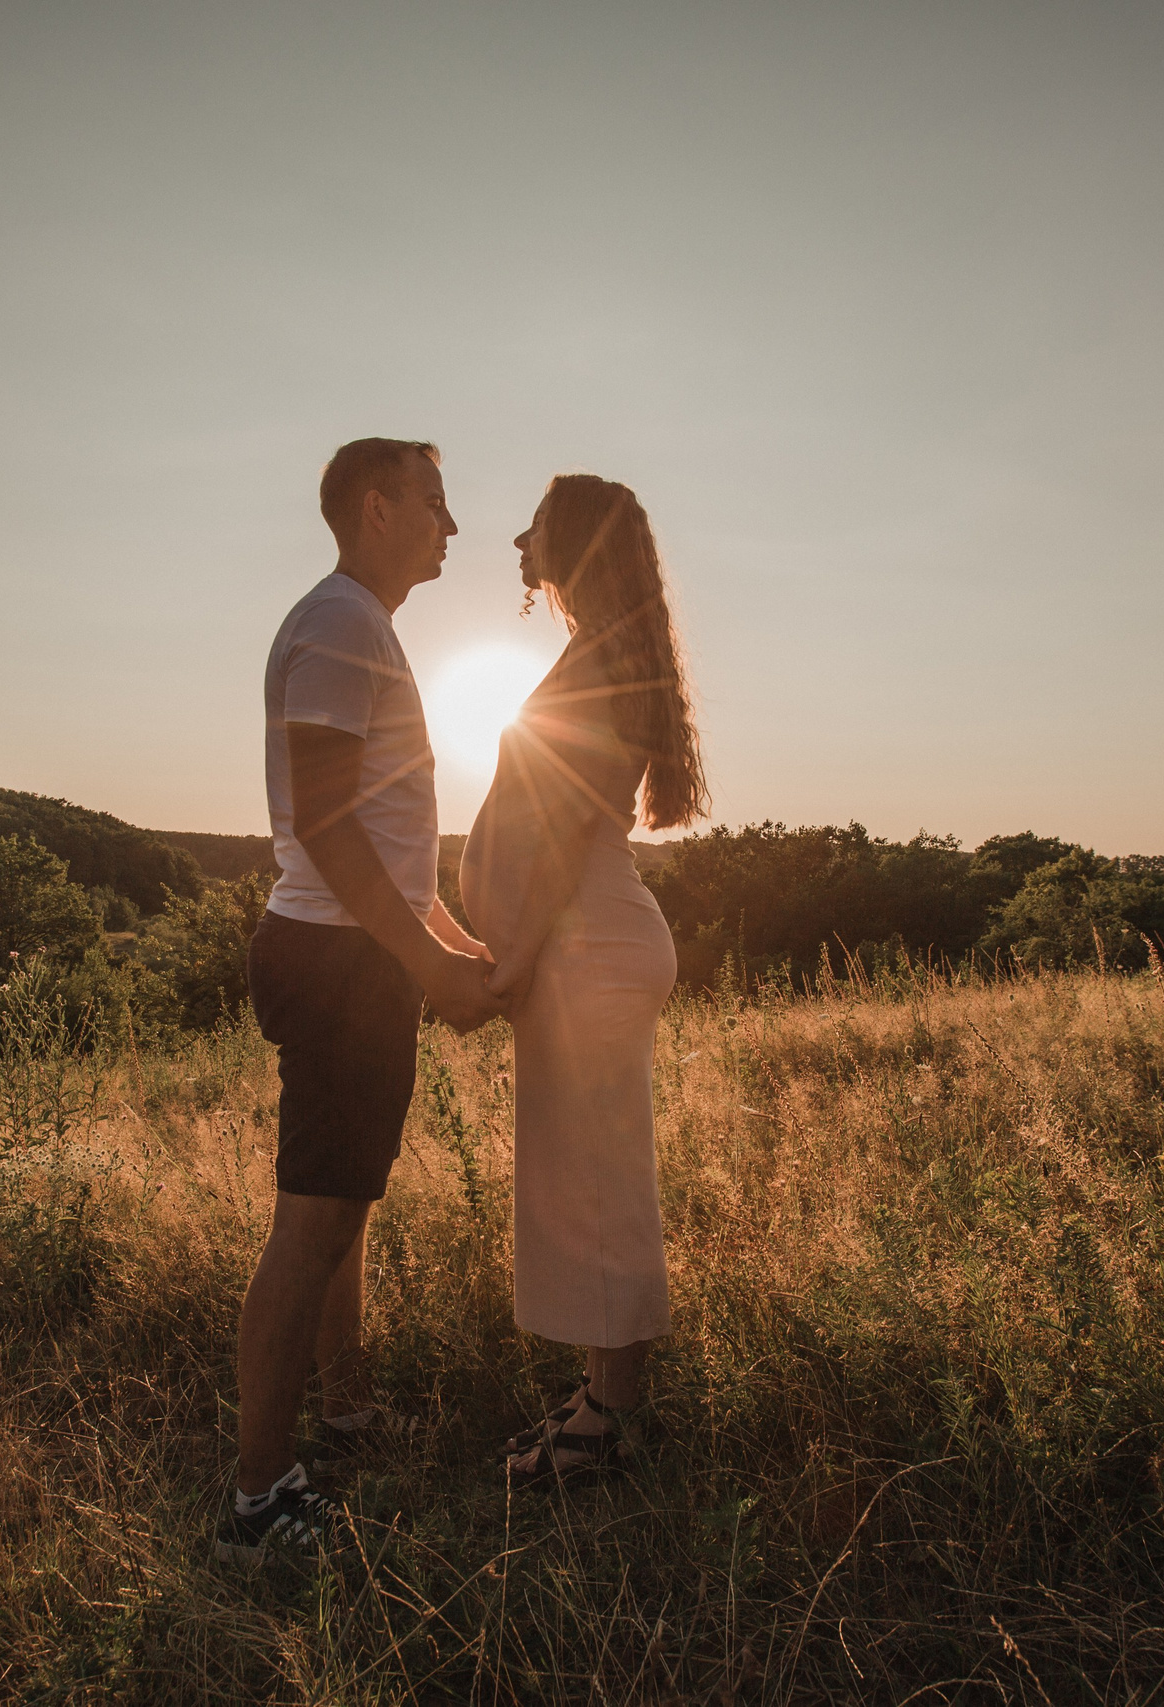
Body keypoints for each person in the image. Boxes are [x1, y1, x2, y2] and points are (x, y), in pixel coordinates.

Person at [215, 437, 504, 1564]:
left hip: (349, 952)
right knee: (313, 1223)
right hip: (339, 963)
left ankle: (344, 1415)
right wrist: (426, 967)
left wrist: (448, 938)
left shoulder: (355, 624)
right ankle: (258, 1504)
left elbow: (379, 845)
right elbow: (332, 830)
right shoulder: (340, 624)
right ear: (378, 508)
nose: (453, 525)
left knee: (341, 1206)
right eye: (437, 503)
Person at [460, 472, 708, 1485]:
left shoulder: (607, 658)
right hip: (583, 946)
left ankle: (607, 1419)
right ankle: (600, 1392)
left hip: (587, 946)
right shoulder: (601, 647)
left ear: (579, 542)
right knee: (586, 1179)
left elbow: (564, 826)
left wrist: (510, 958)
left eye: (538, 524)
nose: (518, 538)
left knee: (602, 1188)